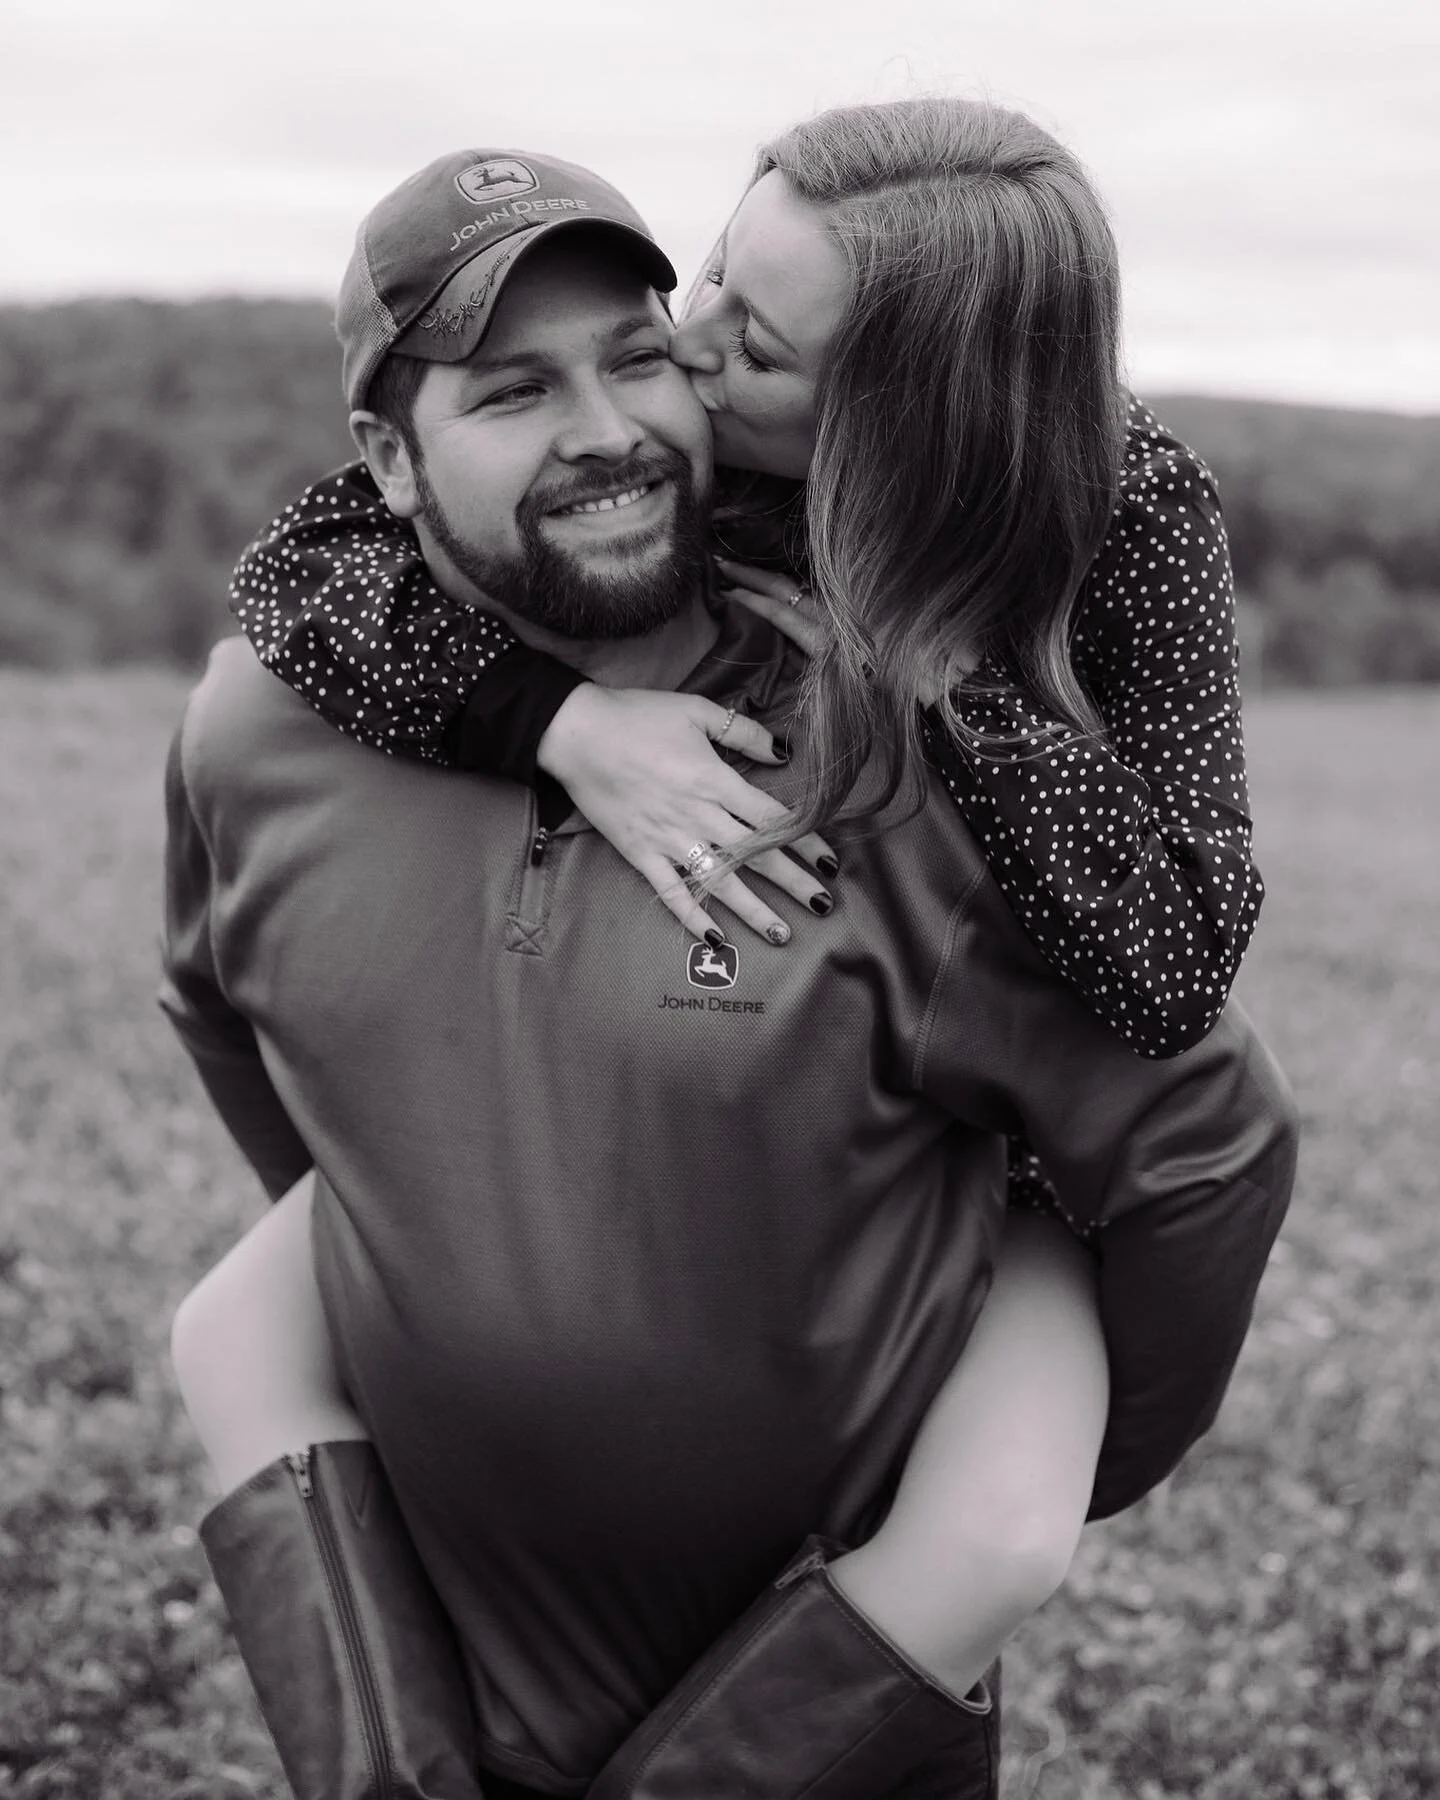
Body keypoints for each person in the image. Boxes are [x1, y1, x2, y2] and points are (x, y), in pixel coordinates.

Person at [162, 131, 1295, 1800]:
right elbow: (298, 595)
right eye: (702, 286)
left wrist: (933, 687)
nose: (673, 367)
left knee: (987, 1531)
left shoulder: (1024, 616)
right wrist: (557, 723)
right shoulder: (284, 695)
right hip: (472, 1609)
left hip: (1042, 875)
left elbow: (1180, 1023)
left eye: (717, 349)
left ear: (886, 428)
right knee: (228, 1330)